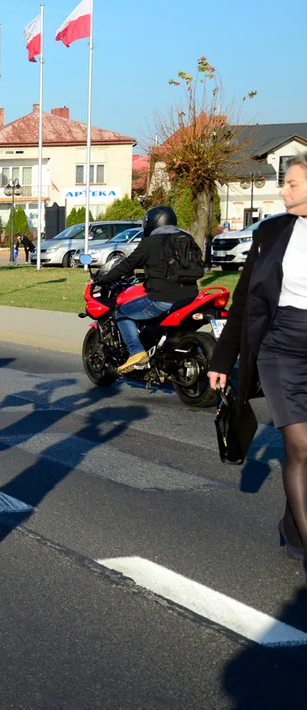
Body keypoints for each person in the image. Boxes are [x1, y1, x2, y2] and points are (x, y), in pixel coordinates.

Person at [210, 153, 307, 580]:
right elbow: (245, 300)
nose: (283, 190)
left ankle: (293, 527)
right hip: (280, 346)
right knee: (301, 446)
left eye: (292, 184)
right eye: (284, 183)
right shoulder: (271, 232)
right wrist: (222, 358)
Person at [94, 206, 202, 373]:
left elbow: (126, 265)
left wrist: (102, 278)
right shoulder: (186, 238)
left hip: (162, 299)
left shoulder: (151, 242)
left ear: (151, 222)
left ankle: (136, 353)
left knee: (121, 311)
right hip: (190, 299)